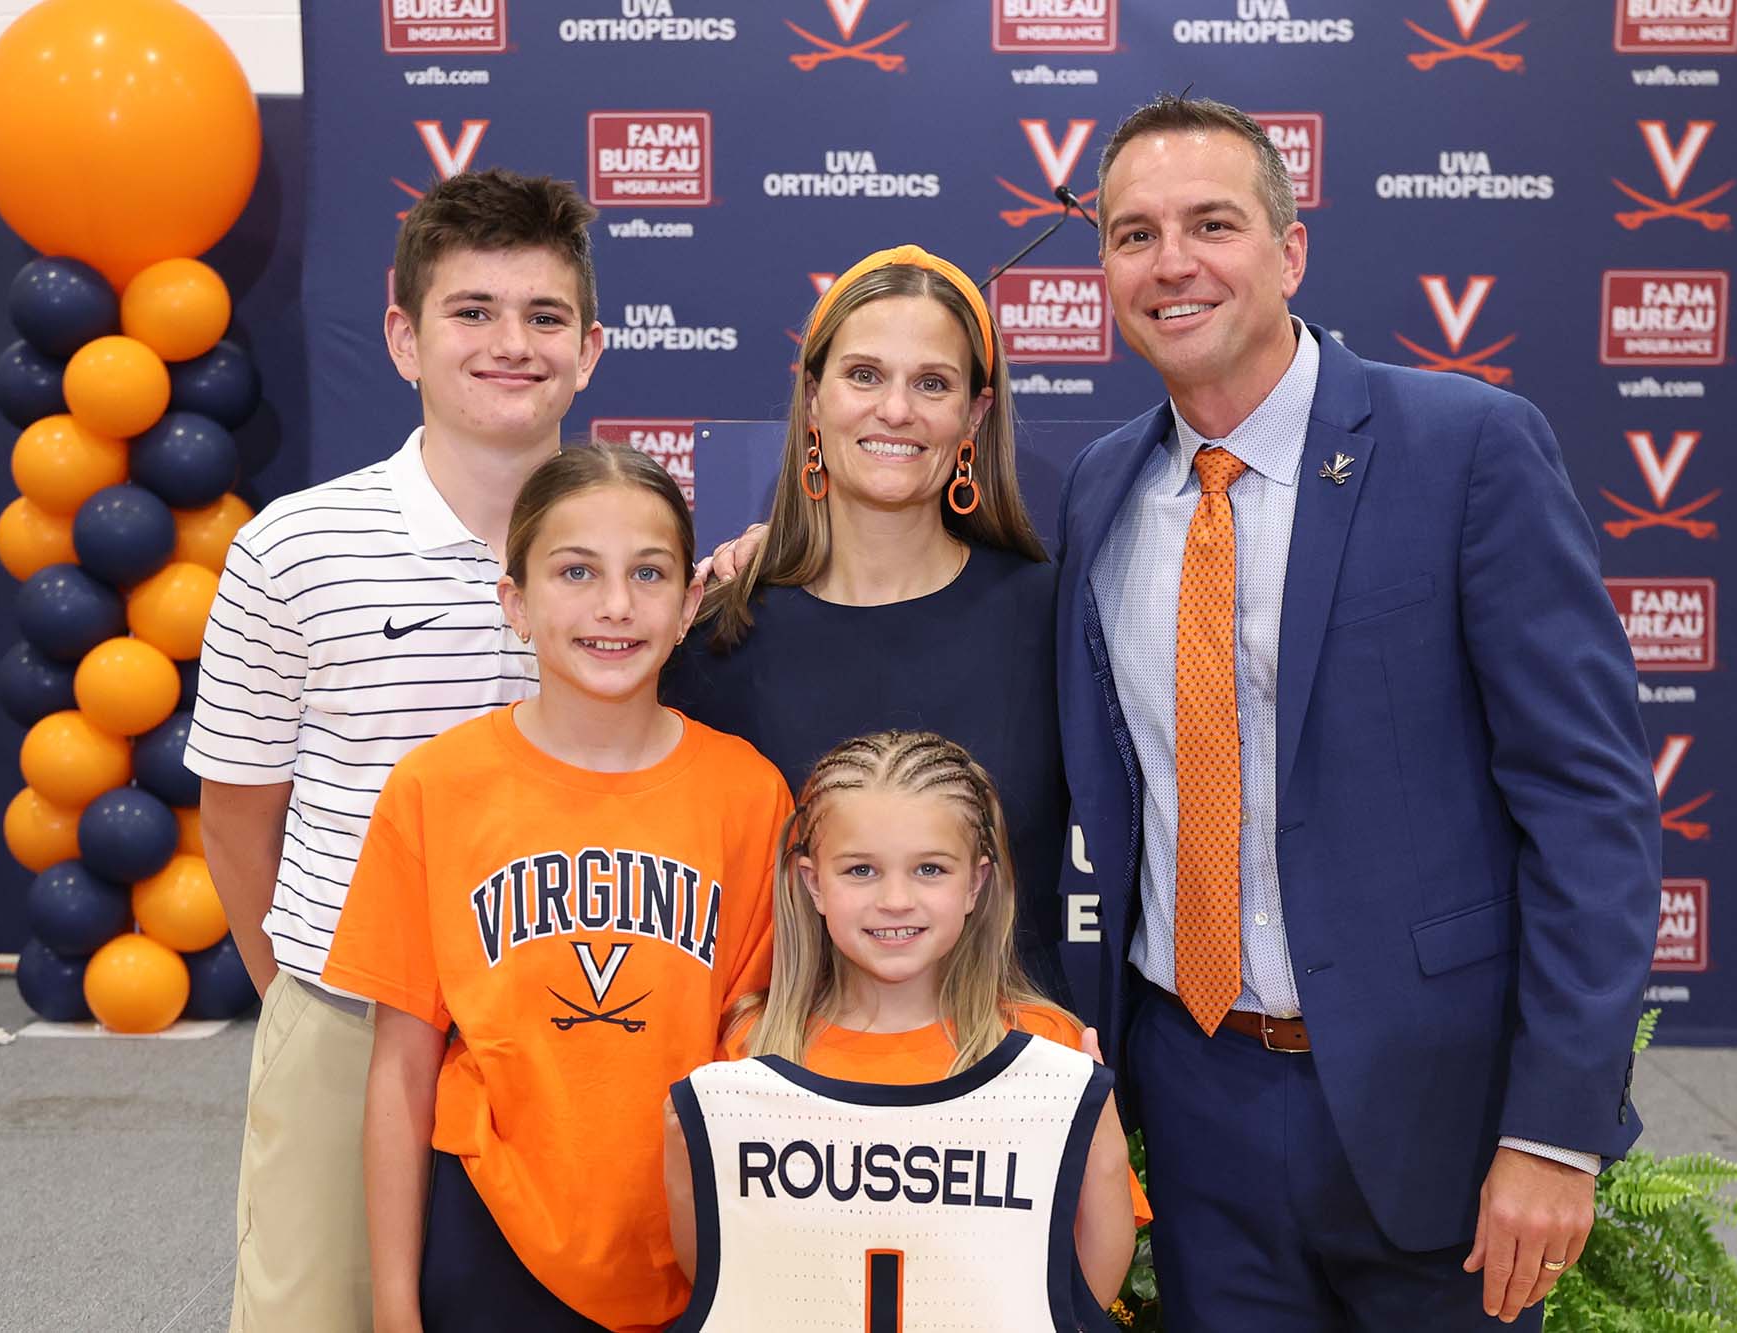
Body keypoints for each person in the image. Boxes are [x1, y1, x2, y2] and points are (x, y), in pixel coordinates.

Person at [1054, 97, 1663, 1331]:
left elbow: (1588, 807)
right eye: (1132, 234)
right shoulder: (1098, 488)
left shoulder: (1466, 448)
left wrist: (1555, 1127)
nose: (1170, 263)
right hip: (1195, 1094)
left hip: (1434, 1106)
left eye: (1210, 224)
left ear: (1290, 250)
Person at [186, 167, 605, 1331]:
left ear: (591, 349)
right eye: (471, 311)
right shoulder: (293, 549)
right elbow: (237, 813)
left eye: (544, 316)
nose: (509, 343)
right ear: (403, 338)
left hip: (568, 1016)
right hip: (346, 1012)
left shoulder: (639, 548)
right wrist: (307, 1002)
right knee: (317, 1309)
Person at [322, 446, 790, 1333]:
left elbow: (761, 1045)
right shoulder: (435, 789)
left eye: (648, 572)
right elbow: (401, 1067)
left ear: (690, 603)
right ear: (516, 603)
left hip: (693, 1234)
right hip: (493, 1225)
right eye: (576, 571)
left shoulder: (749, 793)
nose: (614, 605)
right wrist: (392, 1304)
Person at [665, 244, 1068, 1004]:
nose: (895, 410)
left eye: (932, 383)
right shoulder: (714, 638)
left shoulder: (1053, 620)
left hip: (1013, 1090)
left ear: (974, 414)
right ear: (813, 396)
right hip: (781, 1096)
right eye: (864, 375)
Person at [661, 730, 1138, 1329]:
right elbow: (725, 1275)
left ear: (975, 883)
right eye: (861, 869)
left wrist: (1100, 1135)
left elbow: (1080, 1290)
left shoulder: (1041, 1045)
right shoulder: (755, 1046)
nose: (895, 900)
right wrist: (685, 1161)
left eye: (929, 869)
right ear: (812, 883)